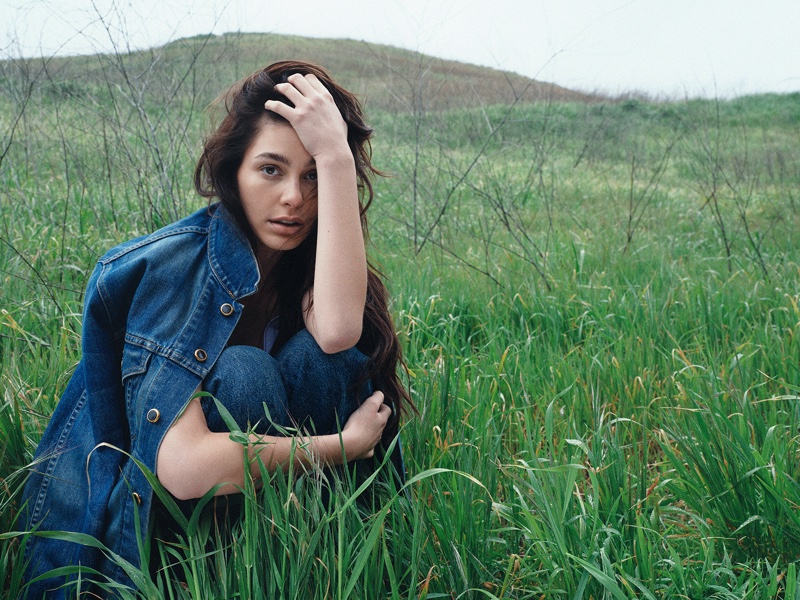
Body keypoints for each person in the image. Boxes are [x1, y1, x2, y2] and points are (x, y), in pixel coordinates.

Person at [20, 60, 410, 598]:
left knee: (328, 360)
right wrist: (339, 446)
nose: (295, 197)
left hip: (279, 524)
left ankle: (306, 569)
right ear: (234, 173)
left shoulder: (312, 268)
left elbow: (339, 332)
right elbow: (184, 467)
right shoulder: (172, 269)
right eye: (271, 170)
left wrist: (338, 156)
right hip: (163, 548)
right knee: (245, 372)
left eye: (312, 175)